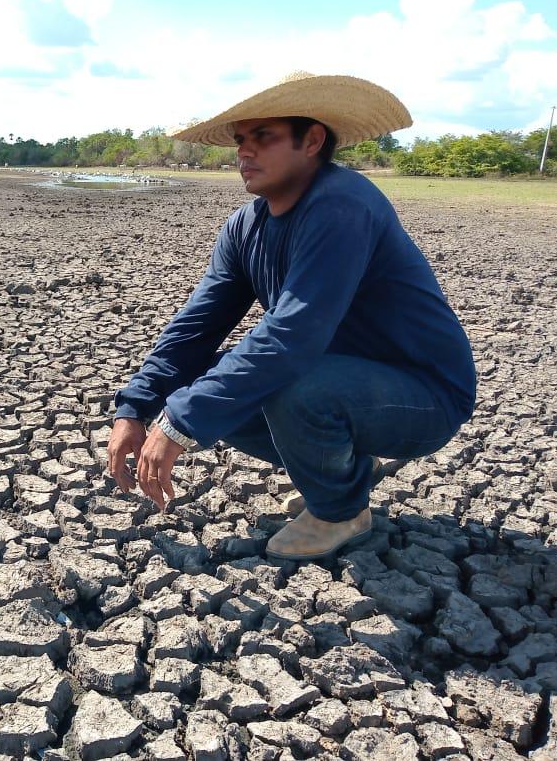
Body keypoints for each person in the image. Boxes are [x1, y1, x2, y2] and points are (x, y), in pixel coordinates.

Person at [107, 72, 476, 561]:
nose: (244, 152)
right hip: (345, 380)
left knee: (288, 384)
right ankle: (341, 469)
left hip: (424, 394)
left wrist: (178, 422)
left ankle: (341, 510)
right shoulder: (245, 227)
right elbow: (196, 326)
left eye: (265, 137)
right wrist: (136, 407)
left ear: (313, 141)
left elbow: (290, 337)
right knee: (202, 377)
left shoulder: (342, 204)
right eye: (241, 140)